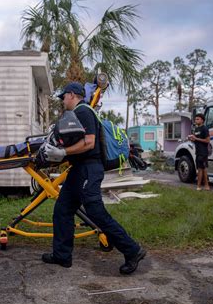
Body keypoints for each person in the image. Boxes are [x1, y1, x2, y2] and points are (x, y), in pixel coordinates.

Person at [42, 82, 146, 275]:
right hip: (78, 170)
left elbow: (89, 143)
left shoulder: (84, 111)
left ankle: (132, 250)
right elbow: (77, 143)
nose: (62, 100)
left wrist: (63, 151)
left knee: (96, 212)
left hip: (89, 169)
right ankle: (62, 255)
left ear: (72, 95)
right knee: (62, 209)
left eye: (63, 96)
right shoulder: (77, 115)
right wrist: (60, 155)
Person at [188, 113, 211, 191]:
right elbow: (196, 140)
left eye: (197, 119)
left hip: (203, 152)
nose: (196, 120)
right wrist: (192, 139)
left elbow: (207, 140)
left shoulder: (205, 129)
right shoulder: (196, 129)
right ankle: (202, 186)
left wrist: (196, 139)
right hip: (197, 151)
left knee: (202, 169)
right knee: (201, 169)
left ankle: (202, 186)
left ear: (202, 120)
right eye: (195, 119)